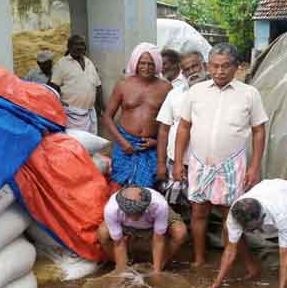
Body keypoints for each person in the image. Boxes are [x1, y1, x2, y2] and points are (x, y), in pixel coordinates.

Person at [173, 43, 268, 268]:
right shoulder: (196, 92)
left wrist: (254, 167)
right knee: (198, 212)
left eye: (225, 66)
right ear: (208, 66)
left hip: (232, 165)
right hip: (199, 163)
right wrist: (178, 162)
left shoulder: (249, 94)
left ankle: (241, 263)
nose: (219, 71)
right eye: (214, 66)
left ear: (237, 67)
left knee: (232, 217)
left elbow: (259, 130)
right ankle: (199, 259)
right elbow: (184, 127)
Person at [208, 179, 287, 288]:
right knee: (227, 230)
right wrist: (217, 283)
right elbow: (230, 251)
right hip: (271, 190)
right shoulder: (236, 213)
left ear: (262, 217)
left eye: (254, 228)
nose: (253, 232)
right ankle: (252, 268)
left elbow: (285, 256)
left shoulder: (282, 213)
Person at [102, 43, 172, 188]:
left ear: (157, 65)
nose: (146, 67)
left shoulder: (166, 88)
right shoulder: (123, 84)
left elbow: (171, 123)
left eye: (151, 64)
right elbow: (107, 117)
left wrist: (157, 142)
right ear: (135, 63)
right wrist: (123, 143)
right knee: (117, 185)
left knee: (146, 189)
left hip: (151, 146)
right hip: (125, 143)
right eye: (142, 63)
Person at [155, 50, 209, 199]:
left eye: (195, 66)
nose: (192, 72)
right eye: (187, 69)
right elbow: (164, 130)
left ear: (204, 66)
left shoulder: (217, 93)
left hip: (207, 164)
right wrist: (161, 163)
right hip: (178, 162)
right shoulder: (175, 94)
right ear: (182, 73)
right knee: (177, 204)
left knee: (203, 206)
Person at [97, 185, 188, 273]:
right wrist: (123, 273)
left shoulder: (159, 204)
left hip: (153, 220)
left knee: (180, 232)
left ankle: (160, 264)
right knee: (102, 233)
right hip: (124, 223)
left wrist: (156, 273)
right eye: (130, 214)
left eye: (139, 213)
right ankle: (126, 265)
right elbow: (119, 243)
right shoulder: (111, 208)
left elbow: (159, 239)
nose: (135, 219)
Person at [49, 35, 105, 134]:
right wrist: (57, 109)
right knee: (75, 144)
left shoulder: (89, 63)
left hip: (90, 113)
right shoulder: (61, 64)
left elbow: (98, 86)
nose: (79, 47)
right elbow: (53, 89)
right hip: (71, 115)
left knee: (90, 145)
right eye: (76, 44)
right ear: (69, 46)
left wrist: (102, 106)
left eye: (82, 44)